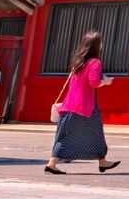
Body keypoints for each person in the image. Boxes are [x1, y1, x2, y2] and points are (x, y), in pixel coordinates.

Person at [45, 30, 119, 175]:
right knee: (96, 134)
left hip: (69, 105)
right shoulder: (95, 62)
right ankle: (101, 161)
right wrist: (106, 82)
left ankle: (53, 164)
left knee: (64, 135)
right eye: (100, 42)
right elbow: (93, 82)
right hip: (86, 106)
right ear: (96, 45)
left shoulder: (78, 62)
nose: (102, 45)